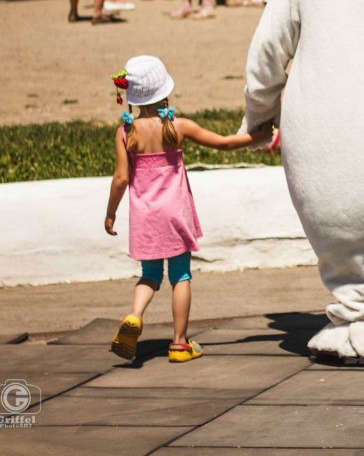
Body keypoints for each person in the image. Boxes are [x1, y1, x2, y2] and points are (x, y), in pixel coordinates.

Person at [105, 55, 269, 362]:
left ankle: (135, 315)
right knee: (180, 276)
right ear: (164, 91)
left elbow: (121, 178)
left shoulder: (126, 134)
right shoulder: (178, 127)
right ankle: (180, 344)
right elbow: (223, 143)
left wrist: (110, 212)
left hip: (145, 218)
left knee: (150, 275)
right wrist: (256, 136)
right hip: (175, 215)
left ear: (132, 96)